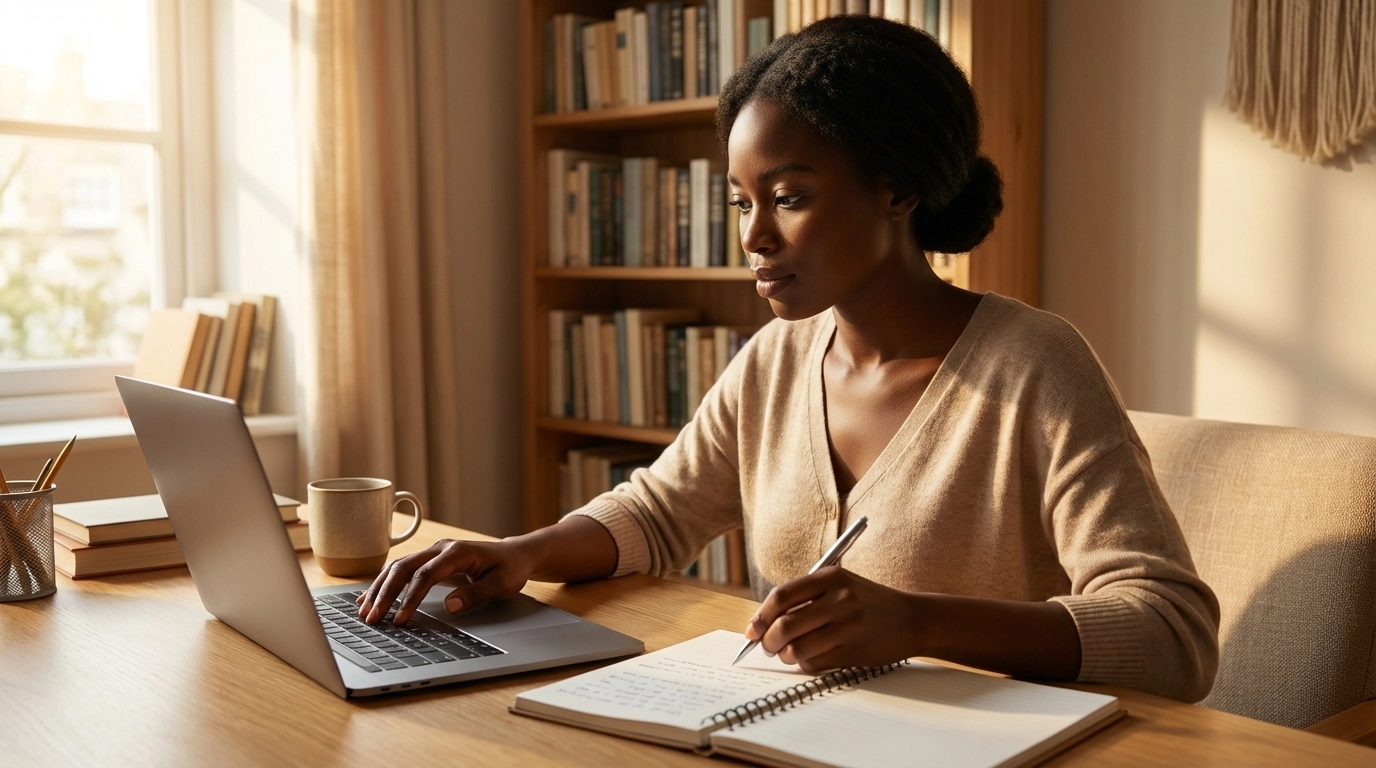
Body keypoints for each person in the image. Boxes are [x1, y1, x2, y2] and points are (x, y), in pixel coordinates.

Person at [358, 15, 1219, 702]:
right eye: (741, 201)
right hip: (800, 728)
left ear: (897, 190)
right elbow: (660, 515)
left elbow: (1171, 633)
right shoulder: (779, 357)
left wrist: (918, 623)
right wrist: (524, 552)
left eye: (790, 197)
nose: (753, 236)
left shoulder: (1033, 365)